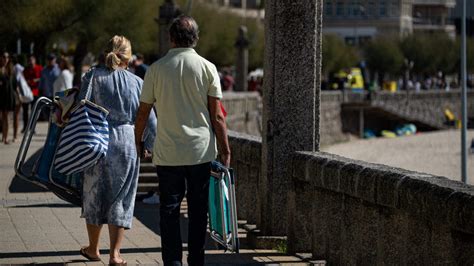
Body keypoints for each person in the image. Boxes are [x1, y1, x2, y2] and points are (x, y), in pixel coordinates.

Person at [135, 15, 231, 266]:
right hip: (200, 152)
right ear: (195, 38)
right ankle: (196, 260)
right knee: (199, 212)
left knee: (169, 209)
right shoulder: (208, 68)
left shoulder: (156, 69)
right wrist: (225, 150)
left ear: (171, 38)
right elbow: (217, 115)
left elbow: (143, 112)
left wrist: (139, 142)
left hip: (168, 153)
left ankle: (172, 262)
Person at [78, 36, 156, 265]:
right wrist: (149, 145)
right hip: (126, 141)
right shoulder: (137, 82)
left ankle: (93, 249)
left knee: (94, 194)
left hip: (97, 139)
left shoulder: (93, 76)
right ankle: (115, 255)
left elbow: (81, 105)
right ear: (128, 56)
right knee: (121, 197)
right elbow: (149, 120)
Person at [0, 52, 18, 144]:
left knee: (6, 117)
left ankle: (5, 137)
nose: (6, 59)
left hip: (8, 96)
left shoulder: (11, 70)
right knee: (2, 117)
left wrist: (19, 96)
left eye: (7, 57)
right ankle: (3, 136)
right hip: (1, 96)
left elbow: (15, 85)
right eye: (4, 57)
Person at [23, 55, 43, 132]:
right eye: (29, 61)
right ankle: (25, 127)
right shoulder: (26, 69)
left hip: (35, 92)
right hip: (27, 93)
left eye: (32, 60)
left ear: (35, 61)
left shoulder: (39, 68)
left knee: (34, 110)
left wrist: (36, 80)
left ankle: (32, 128)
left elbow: (42, 78)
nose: (30, 62)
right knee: (25, 110)